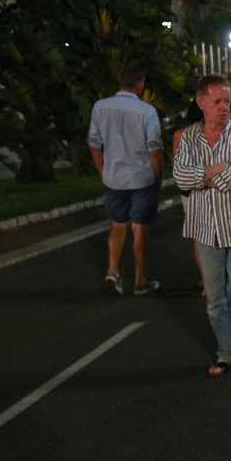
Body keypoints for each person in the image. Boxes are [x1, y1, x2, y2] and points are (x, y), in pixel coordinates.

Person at [173, 74, 231, 377]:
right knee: (215, 298)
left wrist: (203, 178)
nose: (224, 107)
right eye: (217, 102)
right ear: (201, 103)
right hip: (205, 229)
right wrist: (212, 170)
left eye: (227, 101)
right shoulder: (188, 138)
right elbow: (180, 177)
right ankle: (225, 352)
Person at [87, 64, 164, 297]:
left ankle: (113, 271)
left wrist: (103, 171)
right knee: (140, 229)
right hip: (141, 179)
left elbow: (93, 143)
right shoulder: (147, 111)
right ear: (139, 84)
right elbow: (155, 150)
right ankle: (140, 281)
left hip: (114, 180)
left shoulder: (100, 107)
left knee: (117, 225)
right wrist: (158, 178)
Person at [173, 103, 205, 296]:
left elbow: (178, 168)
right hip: (208, 188)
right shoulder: (212, 134)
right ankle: (212, 281)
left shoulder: (179, 134)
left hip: (188, 192)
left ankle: (206, 279)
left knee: (198, 238)